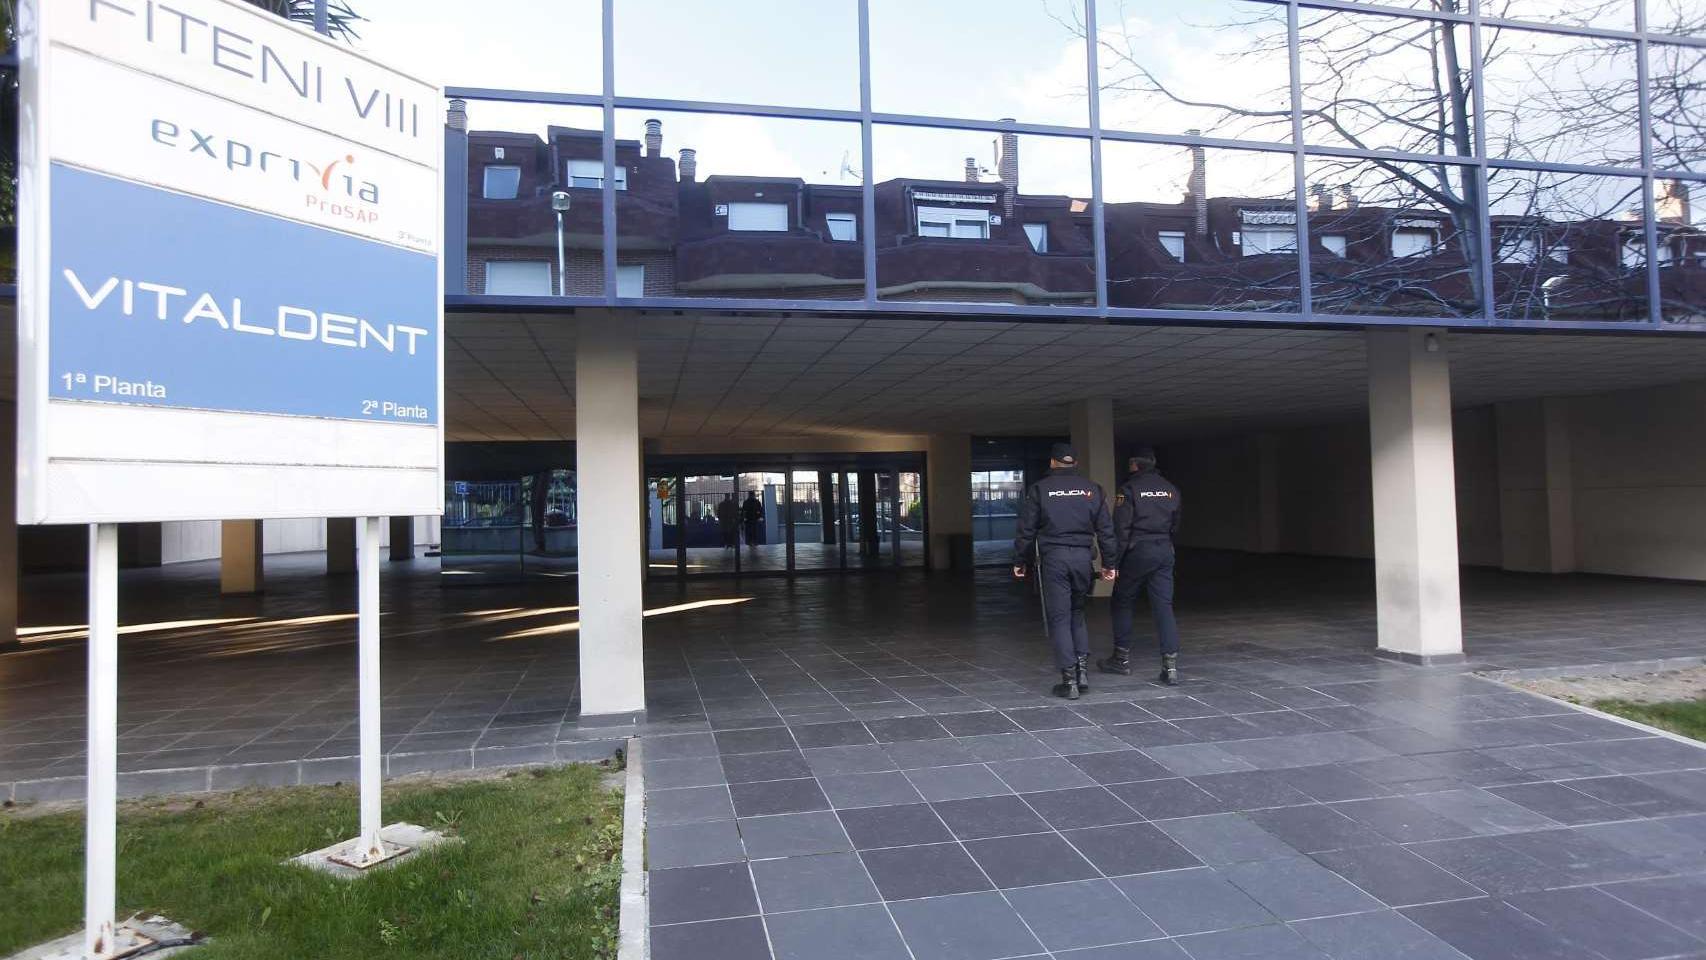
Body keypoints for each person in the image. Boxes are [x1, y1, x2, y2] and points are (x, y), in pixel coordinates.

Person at [1013, 443, 1119, 699]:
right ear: (1075, 463)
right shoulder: (1093, 489)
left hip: (1055, 559)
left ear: (1052, 462)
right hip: (1083, 559)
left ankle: (1069, 681)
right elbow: (1106, 531)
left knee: (1059, 618)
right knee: (1077, 613)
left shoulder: (1040, 489)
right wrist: (1110, 564)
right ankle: (1082, 674)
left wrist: (1020, 560)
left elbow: (1027, 530)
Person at [1098, 446, 1184, 685]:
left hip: (1137, 551)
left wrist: (1112, 562)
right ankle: (1170, 666)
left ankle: (1120, 659)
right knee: (1164, 606)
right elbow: (1176, 524)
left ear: (1134, 465)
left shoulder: (1129, 489)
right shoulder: (1171, 489)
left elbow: (1121, 530)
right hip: (1164, 550)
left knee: (1122, 601)